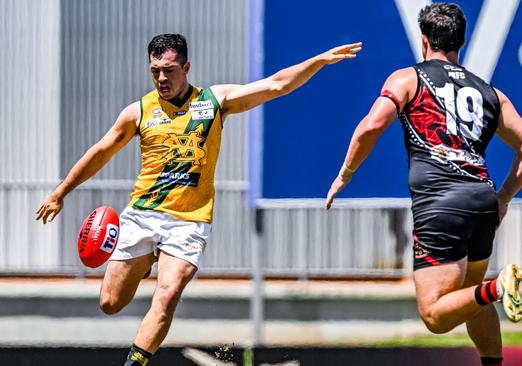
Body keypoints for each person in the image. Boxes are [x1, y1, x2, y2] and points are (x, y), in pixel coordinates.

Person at [36, 33, 361, 366]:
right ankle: (148, 259)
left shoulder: (214, 101)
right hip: (143, 214)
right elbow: (100, 151)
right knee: (110, 303)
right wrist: (61, 192)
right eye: (155, 71)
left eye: (170, 69)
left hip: (189, 221)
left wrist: (318, 61)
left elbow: (276, 85)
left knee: (168, 292)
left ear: (186, 67)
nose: (162, 78)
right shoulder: (139, 112)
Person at [325, 3, 522, 366]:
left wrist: (345, 174)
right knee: (469, 294)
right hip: (482, 202)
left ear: (424, 40)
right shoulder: (489, 92)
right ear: (461, 42)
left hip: (441, 206)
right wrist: (506, 195)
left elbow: (371, 126)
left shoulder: (408, 79)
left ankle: (501, 287)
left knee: (434, 315)